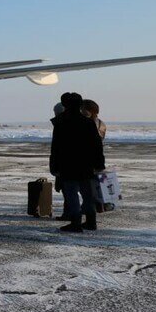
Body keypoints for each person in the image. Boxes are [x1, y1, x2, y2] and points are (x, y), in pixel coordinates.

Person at [50, 92, 104, 232]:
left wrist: (54, 166)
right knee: (88, 193)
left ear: (64, 105)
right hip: (86, 164)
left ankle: (75, 222)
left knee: (71, 193)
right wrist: (99, 164)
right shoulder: (87, 123)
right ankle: (91, 221)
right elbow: (97, 145)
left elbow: (55, 147)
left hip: (68, 164)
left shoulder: (61, 123)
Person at [82, 99, 112, 213]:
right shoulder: (101, 123)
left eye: (83, 109)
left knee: (90, 185)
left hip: (90, 157)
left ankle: (95, 205)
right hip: (97, 156)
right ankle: (99, 204)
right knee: (97, 184)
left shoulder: (89, 124)